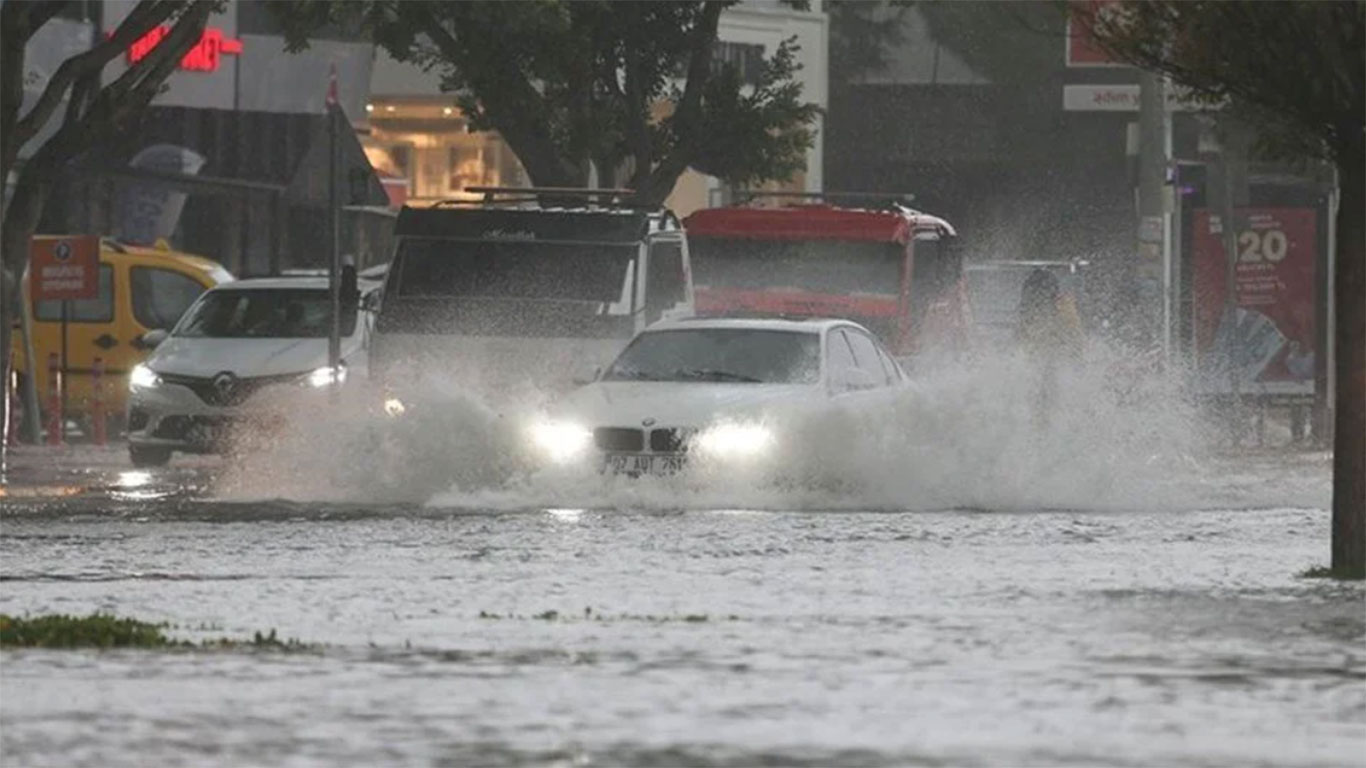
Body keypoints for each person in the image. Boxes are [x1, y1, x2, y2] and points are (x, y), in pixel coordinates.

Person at [1014, 268, 1083, 424]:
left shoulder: (1063, 308)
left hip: (1056, 366)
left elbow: (1075, 343)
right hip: (1048, 366)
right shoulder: (1032, 311)